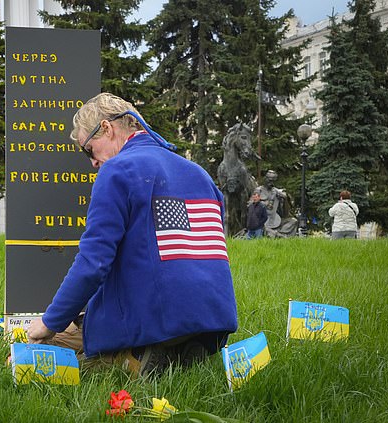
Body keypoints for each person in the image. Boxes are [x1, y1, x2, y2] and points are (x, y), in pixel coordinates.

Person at [26, 93, 238, 377]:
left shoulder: (117, 170)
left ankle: (131, 359)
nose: (92, 162)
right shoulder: (200, 174)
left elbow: (93, 263)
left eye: (89, 150)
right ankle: (181, 350)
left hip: (153, 317)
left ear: (106, 128)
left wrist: (49, 322)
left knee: (33, 353)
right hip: (214, 320)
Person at [257, 170, 298, 238]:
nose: (271, 183)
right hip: (261, 220)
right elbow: (250, 205)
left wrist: (284, 200)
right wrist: (265, 204)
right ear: (265, 179)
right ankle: (278, 235)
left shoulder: (277, 192)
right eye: (269, 180)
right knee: (263, 228)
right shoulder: (259, 190)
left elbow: (285, 213)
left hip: (275, 220)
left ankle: (277, 234)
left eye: (273, 181)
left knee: (293, 221)